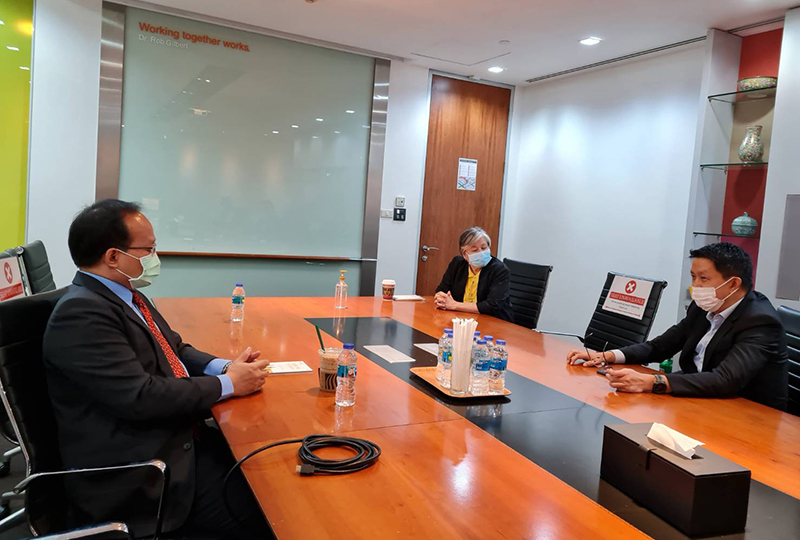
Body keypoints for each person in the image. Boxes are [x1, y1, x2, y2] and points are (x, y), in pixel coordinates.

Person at [43, 199, 273, 539]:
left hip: (175, 440)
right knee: (271, 511)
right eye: (148, 250)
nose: (155, 257)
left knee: (267, 470)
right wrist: (228, 384)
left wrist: (224, 366)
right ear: (113, 257)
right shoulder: (81, 314)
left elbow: (175, 349)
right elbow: (140, 396)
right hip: (141, 474)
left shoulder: (125, 296)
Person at [566, 242, 789, 410]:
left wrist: (652, 381)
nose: (695, 286)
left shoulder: (760, 321)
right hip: (702, 399)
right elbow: (660, 346)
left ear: (733, 284)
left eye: (703, 279)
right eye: (693, 277)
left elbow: (725, 379)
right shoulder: (703, 307)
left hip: (748, 413)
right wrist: (608, 356)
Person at [434, 226, 514, 322]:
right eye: (475, 250)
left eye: (484, 248)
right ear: (465, 254)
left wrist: (454, 305)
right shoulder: (457, 264)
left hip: (494, 321)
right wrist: (441, 298)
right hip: (462, 318)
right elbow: (441, 290)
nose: (481, 252)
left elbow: (492, 306)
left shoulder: (499, 269)